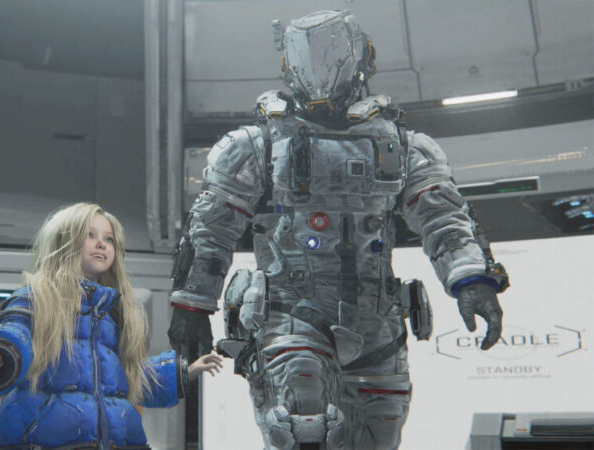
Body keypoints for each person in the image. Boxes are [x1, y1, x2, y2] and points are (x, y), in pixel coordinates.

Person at [167, 10, 508, 450]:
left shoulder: (403, 147)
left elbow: (443, 217)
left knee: (376, 437)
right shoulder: (257, 145)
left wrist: (472, 279)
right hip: (290, 315)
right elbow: (212, 227)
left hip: (378, 325)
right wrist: (192, 305)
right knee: (300, 421)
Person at [0, 202, 222, 450]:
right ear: (63, 241)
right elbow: (16, 331)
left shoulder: (113, 313)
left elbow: (128, 376)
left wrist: (184, 372)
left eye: (109, 239)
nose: (101, 244)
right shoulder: (38, 298)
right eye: (89, 235)